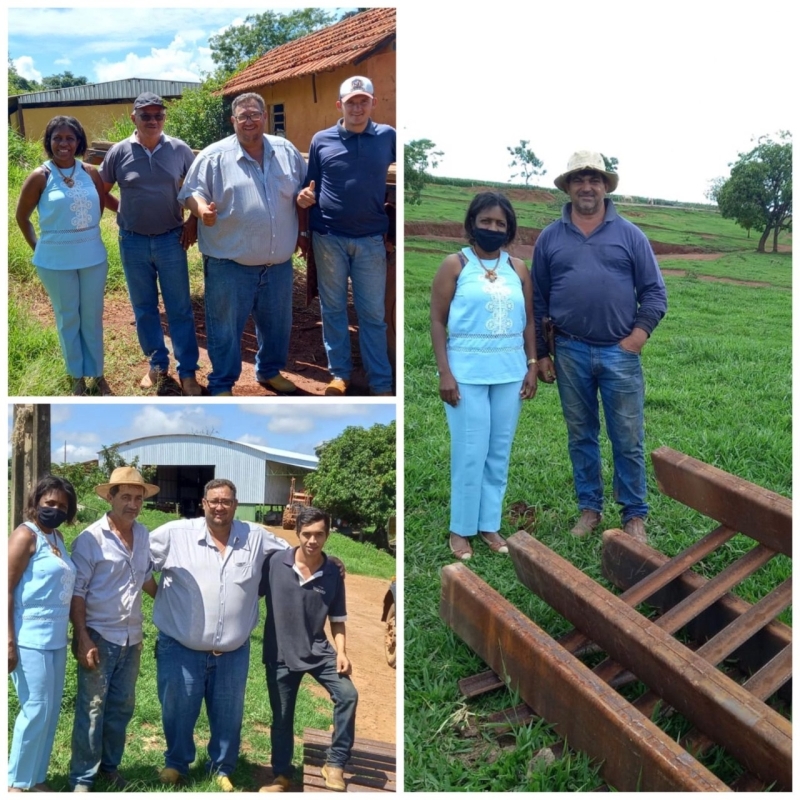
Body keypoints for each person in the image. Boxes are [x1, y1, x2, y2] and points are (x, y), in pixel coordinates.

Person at [533, 151, 668, 542]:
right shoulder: (550, 237)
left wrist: (637, 337)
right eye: (579, 179)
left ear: (605, 187)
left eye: (594, 179)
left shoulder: (630, 235)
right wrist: (543, 352)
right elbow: (539, 299)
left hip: (619, 352)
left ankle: (634, 515)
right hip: (570, 350)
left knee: (627, 436)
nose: (587, 186)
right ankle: (589, 509)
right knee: (581, 435)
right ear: (569, 186)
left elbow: (655, 293)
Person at [144, 479, 291, 791]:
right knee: (178, 709)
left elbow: (294, 556)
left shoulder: (256, 537)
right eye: (214, 501)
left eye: (226, 501)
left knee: (228, 714)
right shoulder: (175, 534)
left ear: (235, 505)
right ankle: (176, 763)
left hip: (233, 652)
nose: (220, 506)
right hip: (181, 648)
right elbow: (138, 563)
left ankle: (221, 768)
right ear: (203, 503)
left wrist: (329, 561)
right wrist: (161, 598)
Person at [430, 192, 538, 562]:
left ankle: (489, 524)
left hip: (510, 373)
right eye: (486, 221)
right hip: (465, 374)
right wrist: (445, 372)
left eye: (500, 224)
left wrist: (533, 363)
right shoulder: (455, 265)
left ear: (509, 230)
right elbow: (437, 320)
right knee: (470, 451)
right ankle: (460, 529)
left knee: (498, 451)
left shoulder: (519, 268)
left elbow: (529, 321)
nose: (493, 228)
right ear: (472, 223)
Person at [178, 93, 306, 397]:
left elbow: (302, 189)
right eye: (242, 116)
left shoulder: (286, 151)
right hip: (229, 263)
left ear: (264, 116)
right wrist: (200, 211)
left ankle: (270, 372)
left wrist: (304, 209)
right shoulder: (213, 157)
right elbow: (190, 192)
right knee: (225, 330)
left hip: (278, 264)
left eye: (254, 114)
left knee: (277, 326)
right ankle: (222, 384)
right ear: (233, 121)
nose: (249, 121)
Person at [297, 76, 395, 397]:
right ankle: (339, 374)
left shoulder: (387, 137)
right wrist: (304, 199)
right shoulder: (321, 140)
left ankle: (380, 381)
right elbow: (309, 184)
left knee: (372, 313)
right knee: (333, 308)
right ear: (339, 105)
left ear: (373, 103)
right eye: (351, 102)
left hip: (370, 239)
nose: (357, 107)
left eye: (363, 101)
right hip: (328, 236)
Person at [100, 92, 202, 396]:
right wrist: (123, 210)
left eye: (159, 115)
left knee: (179, 308)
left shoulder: (179, 150)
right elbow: (102, 190)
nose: (153, 120)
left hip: (171, 239)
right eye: (146, 115)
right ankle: (158, 364)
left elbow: (198, 188)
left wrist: (192, 222)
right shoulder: (119, 152)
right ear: (134, 118)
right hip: (132, 242)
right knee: (144, 307)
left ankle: (188, 372)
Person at [68, 467, 160, 792]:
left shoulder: (144, 535)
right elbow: (77, 592)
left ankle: (109, 767)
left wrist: (171, 603)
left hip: (132, 637)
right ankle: (82, 778)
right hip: (98, 636)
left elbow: (145, 578)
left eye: (138, 498)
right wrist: (82, 636)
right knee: (92, 709)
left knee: (121, 706)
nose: (132, 504)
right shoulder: (90, 539)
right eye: (126, 497)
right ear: (111, 497)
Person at [258, 507, 357, 794]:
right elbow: (248, 590)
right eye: (307, 534)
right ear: (297, 534)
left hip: (318, 651)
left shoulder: (332, 572)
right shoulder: (275, 563)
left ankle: (335, 763)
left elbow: (337, 620)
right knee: (282, 717)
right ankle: (281, 775)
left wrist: (341, 652)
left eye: (319, 534)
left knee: (348, 695)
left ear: (327, 535)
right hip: (280, 654)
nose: (313, 541)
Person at [15, 116, 110, 396]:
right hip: (55, 263)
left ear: (79, 141)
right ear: (49, 142)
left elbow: (99, 208)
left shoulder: (91, 173)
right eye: (57, 138)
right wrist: (40, 248)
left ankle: (97, 373)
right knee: (68, 316)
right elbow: (22, 218)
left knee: (92, 315)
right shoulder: (40, 176)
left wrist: (83, 235)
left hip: (93, 257)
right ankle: (76, 377)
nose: (64, 143)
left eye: (70, 138)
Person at [8, 476, 78, 792]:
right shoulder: (26, 536)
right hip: (28, 638)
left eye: (62, 506)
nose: (56, 509)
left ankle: (36, 778)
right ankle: (15, 783)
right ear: (36, 502)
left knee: (49, 713)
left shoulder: (58, 538)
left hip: (55, 640)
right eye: (50, 503)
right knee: (35, 708)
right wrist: (7, 639)